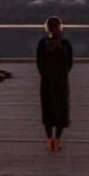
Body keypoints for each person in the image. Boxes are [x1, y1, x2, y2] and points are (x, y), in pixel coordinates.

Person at [36, 16, 73, 152]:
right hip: (61, 82)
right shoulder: (65, 44)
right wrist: (61, 75)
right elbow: (69, 64)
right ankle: (57, 140)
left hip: (46, 82)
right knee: (61, 111)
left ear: (47, 28)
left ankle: (49, 140)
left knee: (47, 111)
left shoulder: (42, 43)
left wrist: (45, 75)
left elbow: (39, 63)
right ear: (60, 27)